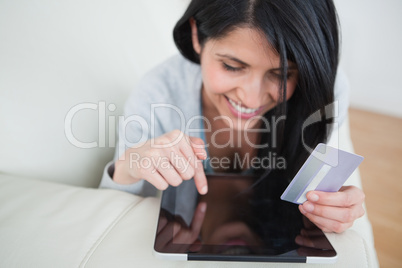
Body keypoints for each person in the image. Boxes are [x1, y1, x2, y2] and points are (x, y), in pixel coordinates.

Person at [99, 0, 365, 233]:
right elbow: (106, 220)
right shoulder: (158, 95)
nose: (251, 98)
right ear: (196, 35)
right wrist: (128, 167)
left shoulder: (322, 93)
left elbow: (310, 192)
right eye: (232, 66)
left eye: (282, 75)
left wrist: (333, 208)